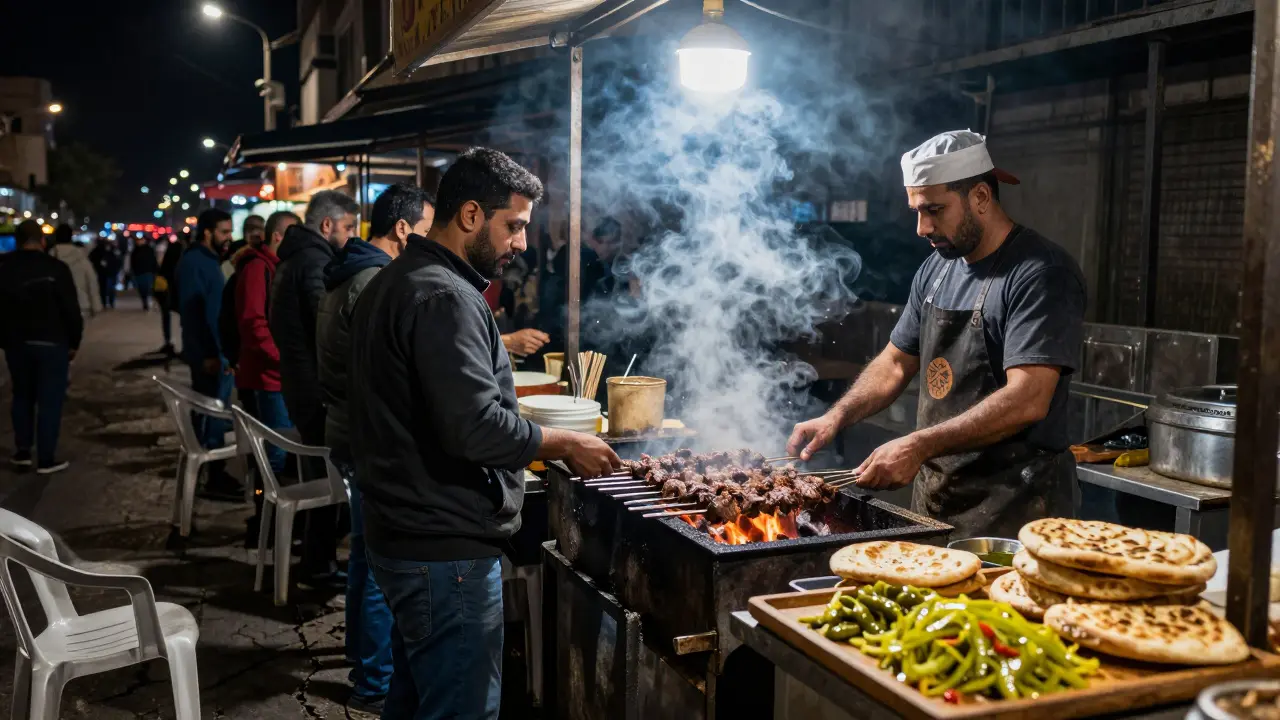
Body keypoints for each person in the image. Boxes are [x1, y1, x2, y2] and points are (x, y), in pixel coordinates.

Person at [349, 148, 620, 718]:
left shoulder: (398, 279)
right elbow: (474, 427)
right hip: (441, 548)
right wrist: (566, 442)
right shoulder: (445, 295)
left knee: (415, 698)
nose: (520, 242)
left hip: (402, 532)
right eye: (513, 226)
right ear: (471, 215)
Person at [787, 130, 1086, 539]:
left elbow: (1029, 398)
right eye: (916, 210)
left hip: (1017, 506)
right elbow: (894, 363)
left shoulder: (1040, 273)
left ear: (980, 197)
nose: (921, 227)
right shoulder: (937, 268)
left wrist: (919, 445)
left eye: (935, 209)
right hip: (938, 499)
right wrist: (837, 415)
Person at [317, 183, 434, 715]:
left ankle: (365, 663)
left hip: (346, 431)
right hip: (365, 439)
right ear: (403, 229)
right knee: (378, 561)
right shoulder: (372, 282)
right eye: (430, 234)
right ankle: (374, 681)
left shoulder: (351, 273)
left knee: (366, 558)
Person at [270, 189, 359, 585]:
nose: (352, 235)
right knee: (331, 478)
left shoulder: (296, 257)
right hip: (315, 389)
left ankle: (315, 555)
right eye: (349, 227)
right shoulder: (313, 261)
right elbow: (328, 325)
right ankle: (318, 565)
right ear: (327, 225)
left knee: (324, 476)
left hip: (301, 384)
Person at [233, 211, 300, 541]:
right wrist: (281, 359)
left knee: (275, 453)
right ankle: (266, 526)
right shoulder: (258, 268)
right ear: (278, 236)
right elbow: (253, 323)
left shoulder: (269, 267)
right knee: (273, 454)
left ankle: (268, 525)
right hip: (266, 377)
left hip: (271, 374)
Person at [0, 220, 83, 474]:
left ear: (17, 240)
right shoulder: (56, 268)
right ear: (43, 241)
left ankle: (23, 451)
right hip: (51, 342)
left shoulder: (4, 268)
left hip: (17, 342)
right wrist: (74, 342)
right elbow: (71, 309)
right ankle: (45, 458)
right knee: (50, 400)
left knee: (22, 395)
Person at [176, 208, 240, 501]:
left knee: (216, 414)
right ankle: (211, 475)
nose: (229, 238)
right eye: (224, 232)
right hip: (210, 356)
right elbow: (194, 315)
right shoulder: (194, 264)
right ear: (207, 232)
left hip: (216, 353)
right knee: (211, 415)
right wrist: (210, 354)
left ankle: (214, 472)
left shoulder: (211, 261)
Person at [50, 224, 101, 318]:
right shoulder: (81, 257)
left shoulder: (49, 258)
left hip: (56, 307)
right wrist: (96, 306)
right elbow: (92, 281)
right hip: (81, 305)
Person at [156, 235, 183, 356]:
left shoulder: (166, 265)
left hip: (166, 292)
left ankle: (168, 342)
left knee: (166, 318)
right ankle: (185, 346)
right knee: (185, 321)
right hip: (178, 293)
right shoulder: (183, 261)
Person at [89, 237, 122, 310]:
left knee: (105, 289)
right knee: (107, 289)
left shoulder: (99, 250)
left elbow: (119, 261)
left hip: (107, 273)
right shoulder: (111, 250)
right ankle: (109, 303)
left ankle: (107, 303)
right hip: (107, 273)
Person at [131, 236, 159, 311]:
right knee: (142, 289)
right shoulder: (135, 251)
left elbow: (153, 260)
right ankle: (145, 302)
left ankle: (148, 302)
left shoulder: (149, 249)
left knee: (148, 288)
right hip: (139, 273)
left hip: (148, 272)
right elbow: (132, 262)